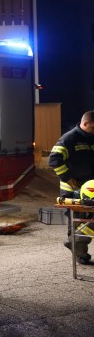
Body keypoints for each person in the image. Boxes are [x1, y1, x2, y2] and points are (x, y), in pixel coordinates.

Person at [48, 110, 94, 265]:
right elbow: (54, 160)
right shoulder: (69, 139)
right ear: (85, 123)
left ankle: (76, 243)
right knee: (76, 220)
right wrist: (70, 180)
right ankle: (80, 253)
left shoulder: (91, 137)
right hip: (72, 189)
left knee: (89, 220)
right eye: (93, 127)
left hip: (90, 189)